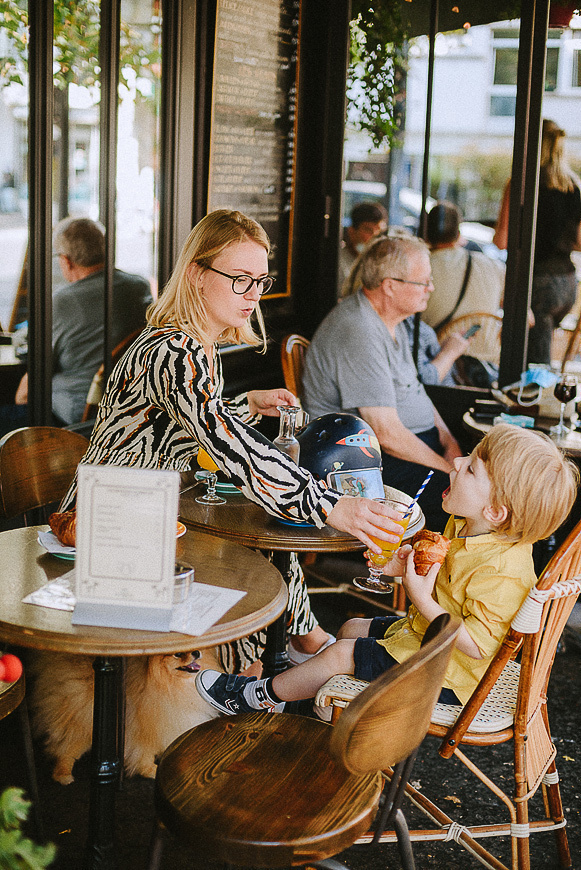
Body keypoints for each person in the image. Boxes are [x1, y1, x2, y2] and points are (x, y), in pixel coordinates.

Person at [58, 209, 406, 673]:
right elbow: (223, 441)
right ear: (198, 275)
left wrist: (243, 404)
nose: (254, 295)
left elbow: (179, 430)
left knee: (266, 535)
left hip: (149, 509)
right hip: (109, 528)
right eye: (240, 279)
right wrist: (329, 505)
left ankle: (292, 650)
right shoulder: (174, 350)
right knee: (258, 545)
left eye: (260, 280)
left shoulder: (198, 345)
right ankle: (260, 675)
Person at [196, 424, 578, 716]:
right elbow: (442, 574)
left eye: (472, 469)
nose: (457, 462)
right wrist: (402, 566)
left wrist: (420, 598)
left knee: (341, 654)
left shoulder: (503, 572)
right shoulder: (467, 525)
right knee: (350, 628)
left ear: (496, 512)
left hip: (452, 674)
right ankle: (306, 697)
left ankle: (255, 697)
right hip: (422, 638)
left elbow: (476, 646)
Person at [302, 234, 463, 531]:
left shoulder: (393, 322)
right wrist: (449, 470)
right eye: (423, 282)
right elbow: (386, 435)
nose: (431, 289)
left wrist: (449, 442)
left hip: (412, 449)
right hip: (365, 463)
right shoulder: (359, 331)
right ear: (389, 286)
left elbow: (415, 392)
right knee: (469, 503)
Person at [0, 217, 153, 435]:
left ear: (66, 261)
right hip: (130, 408)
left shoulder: (61, 301)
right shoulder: (139, 286)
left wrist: (21, 399)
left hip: (78, 417)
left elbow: (37, 371)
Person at [494, 120, 581, 365]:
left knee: (530, 363)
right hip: (566, 283)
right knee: (538, 353)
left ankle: (530, 402)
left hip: (536, 282)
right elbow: (580, 241)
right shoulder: (573, 187)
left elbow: (502, 241)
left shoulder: (520, 183)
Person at [424, 201, 505, 332]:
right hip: (488, 351)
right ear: (458, 234)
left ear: (426, 234)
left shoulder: (420, 266)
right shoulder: (493, 265)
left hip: (438, 350)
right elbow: (527, 318)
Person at [338, 201, 388, 294]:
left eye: (380, 233)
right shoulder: (339, 263)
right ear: (352, 232)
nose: (375, 238)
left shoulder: (383, 264)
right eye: (369, 231)